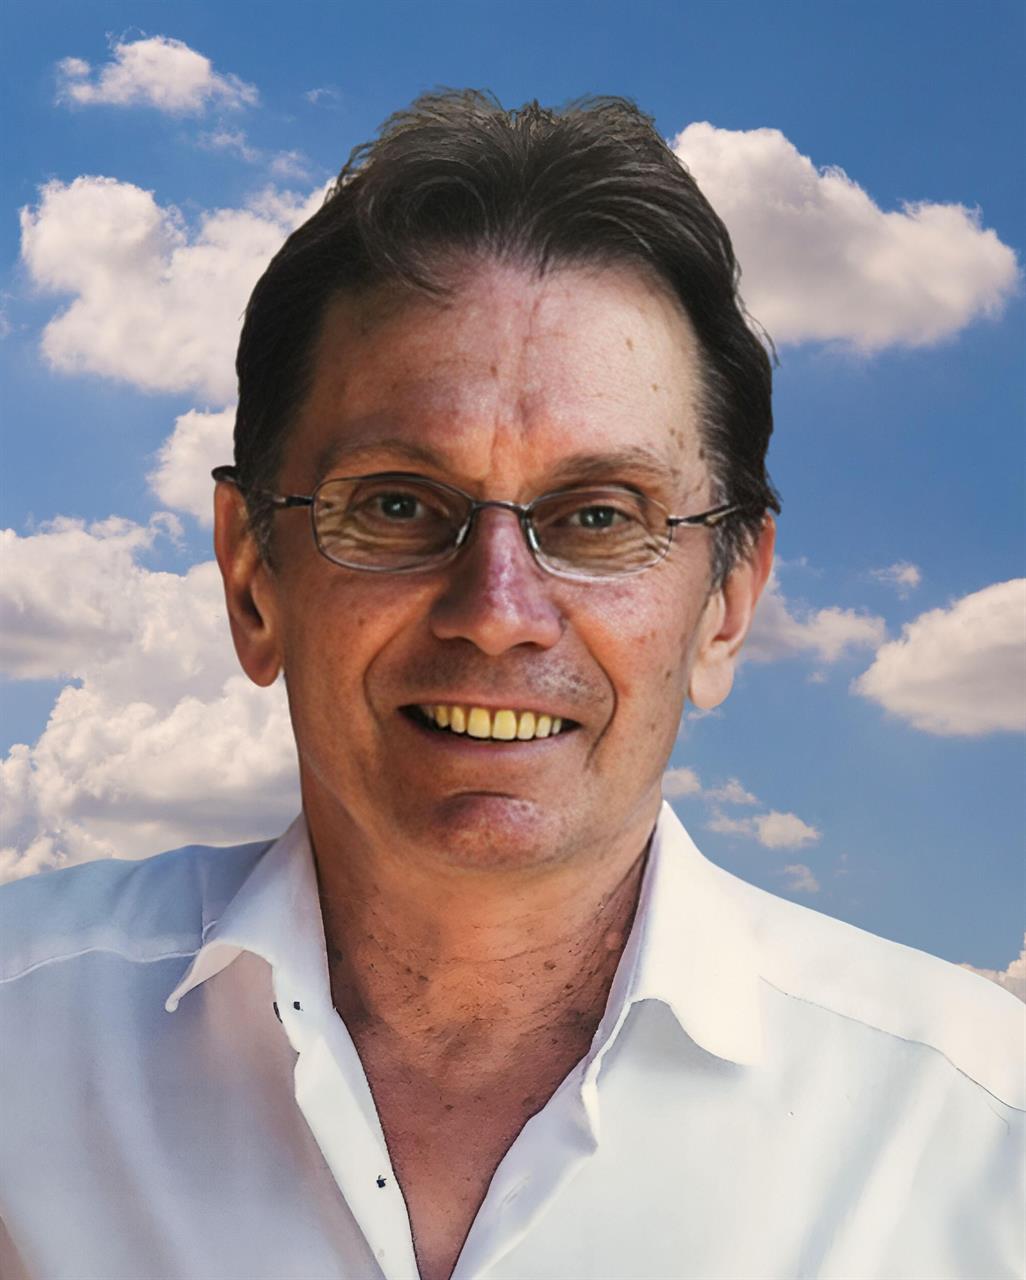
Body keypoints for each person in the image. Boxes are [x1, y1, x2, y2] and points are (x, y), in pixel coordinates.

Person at [1, 91, 1022, 1280]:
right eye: (397, 503)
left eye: (599, 516)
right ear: (250, 575)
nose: (496, 610)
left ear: (729, 602)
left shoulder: (982, 1139)